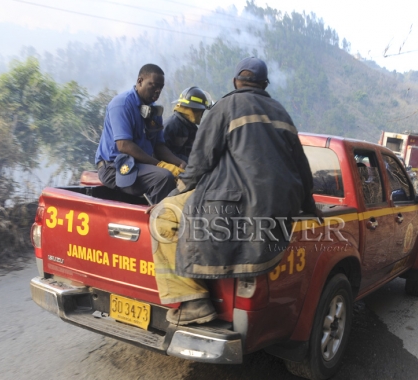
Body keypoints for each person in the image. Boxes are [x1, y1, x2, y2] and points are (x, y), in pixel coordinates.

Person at [151, 57, 320, 325]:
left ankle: (193, 302)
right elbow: (301, 168)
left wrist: (174, 194)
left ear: (234, 82)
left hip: (231, 201)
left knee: (163, 217)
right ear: (265, 85)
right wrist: (310, 206)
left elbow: (200, 162)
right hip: (277, 208)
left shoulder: (226, 106)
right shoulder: (281, 113)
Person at [95, 64, 187, 204]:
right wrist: (161, 165)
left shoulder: (154, 111)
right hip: (114, 168)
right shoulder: (122, 104)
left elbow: (159, 146)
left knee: (185, 176)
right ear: (140, 81)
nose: (157, 91)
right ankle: (157, 221)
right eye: (153, 86)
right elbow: (124, 145)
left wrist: (179, 163)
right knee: (164, 177)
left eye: (160, 88)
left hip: (138, 166)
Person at [163, 86, 211, 162]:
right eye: (201, 111)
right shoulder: (171, 125)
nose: (201, 115)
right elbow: (162, 153)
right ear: (195, 109)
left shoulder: (191, 128)